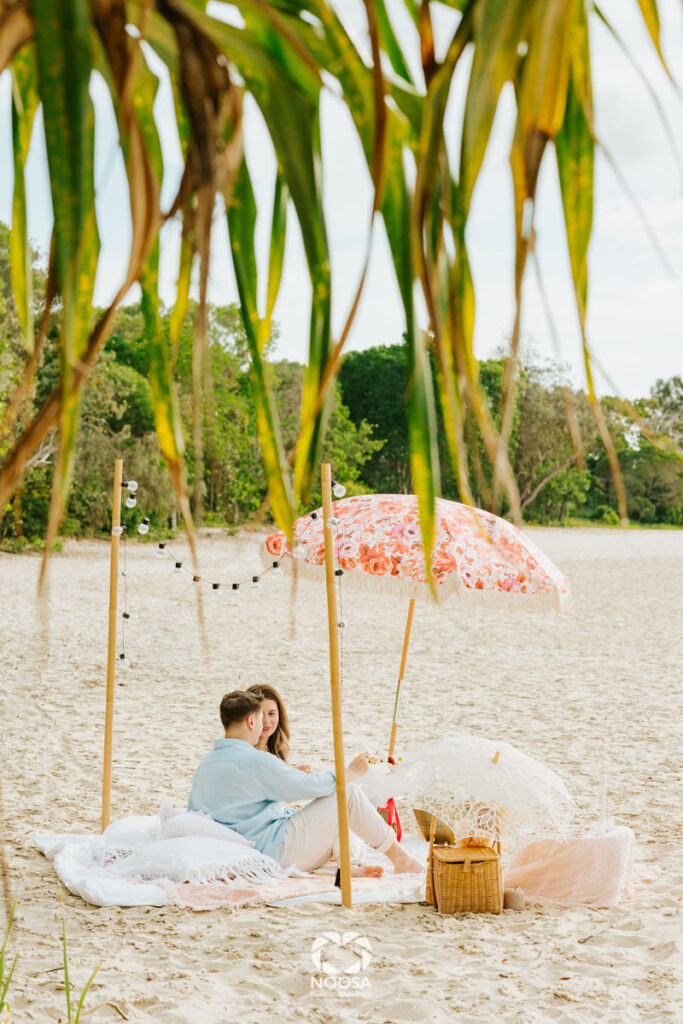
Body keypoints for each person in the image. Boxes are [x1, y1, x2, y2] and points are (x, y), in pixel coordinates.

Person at [188, 689, 423, 875]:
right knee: (347, 794)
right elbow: (310, 787)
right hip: (276, 851)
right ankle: (401, 859)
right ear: (251, 722)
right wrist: (349, 772)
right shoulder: (256, 760)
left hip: (248, 846)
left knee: (341, 814)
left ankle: (350, 866)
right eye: (261, 719)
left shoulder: (206, 765)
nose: (263, 726)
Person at [246, 683, 312, 773]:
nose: (266, 721)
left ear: (279, 714)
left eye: (271, 713)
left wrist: (293, 773)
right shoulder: (246, 752)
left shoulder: (275, 747)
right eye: (260, 715)